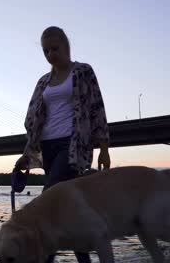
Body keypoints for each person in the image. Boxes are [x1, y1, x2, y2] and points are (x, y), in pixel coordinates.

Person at [14, 26, 111, 263]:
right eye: (46, 51)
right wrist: (27, 153)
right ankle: (84, 259)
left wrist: (104, 148)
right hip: (47, 146)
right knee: (68, 210)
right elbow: (34, 120)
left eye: (55, 48)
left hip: (72, 145)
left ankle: (41, 258)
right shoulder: (43, 82)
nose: (50, 54)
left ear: (67, 46)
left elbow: (97, 108)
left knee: (48, 202)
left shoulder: (83, 71)